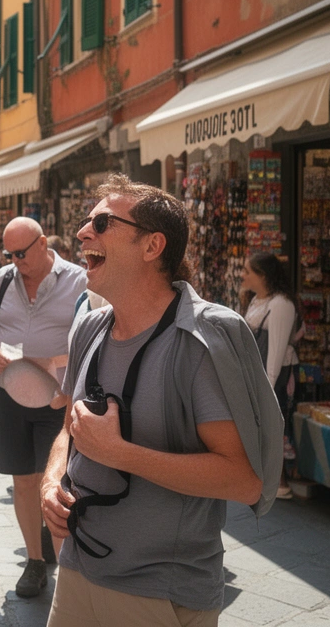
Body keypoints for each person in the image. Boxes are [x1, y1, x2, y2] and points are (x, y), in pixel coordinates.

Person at [41, 175, 279, 626]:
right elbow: (71, 431)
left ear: (152, 247)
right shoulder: (88, 327)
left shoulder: (202, 338)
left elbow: (245, 480)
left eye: (103, 222)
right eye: (87, 221)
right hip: (77, 571)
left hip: (158, 591)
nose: (82, 233)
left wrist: (120, 454)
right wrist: (52, 482)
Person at [0, 217, 88, 599]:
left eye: (21, 252)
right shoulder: (3, 279)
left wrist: (50, 361)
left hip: (57, 396)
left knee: (56, 481)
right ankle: (35, 561)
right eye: (9, 253)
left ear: (43, 244)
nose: (15, 260)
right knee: (23, 480)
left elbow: (95, 338)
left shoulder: (79, 280)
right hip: (10, 393)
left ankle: (69, 578)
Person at [240, 252, 299, 501]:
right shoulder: (256, 301)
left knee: (276, 425)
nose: (242, 275)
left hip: (274, 377)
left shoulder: (281, 305)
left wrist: (268, 390)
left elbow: (274, 352)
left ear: (262, 276)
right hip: (257, 377)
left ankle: (280, 482)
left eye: (247, 272)